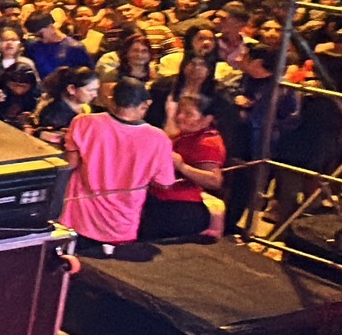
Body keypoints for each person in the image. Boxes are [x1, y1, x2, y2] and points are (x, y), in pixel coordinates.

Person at [61, 78, 179, 252]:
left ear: (111, 100)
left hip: (78, 218)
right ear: (146, 104)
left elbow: (69, 165)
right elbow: (164, 183)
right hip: (120, 225)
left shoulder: (83, 122)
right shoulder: (159, 139)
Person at [143, 93, 224, 241]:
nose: (180, 117)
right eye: (179, 111)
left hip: (180, 207)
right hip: (161, 199)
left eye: (188, 114)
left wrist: (182, 166)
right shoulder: (184, 135)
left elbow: (214, 181)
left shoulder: (208, 142)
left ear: (207, 119)